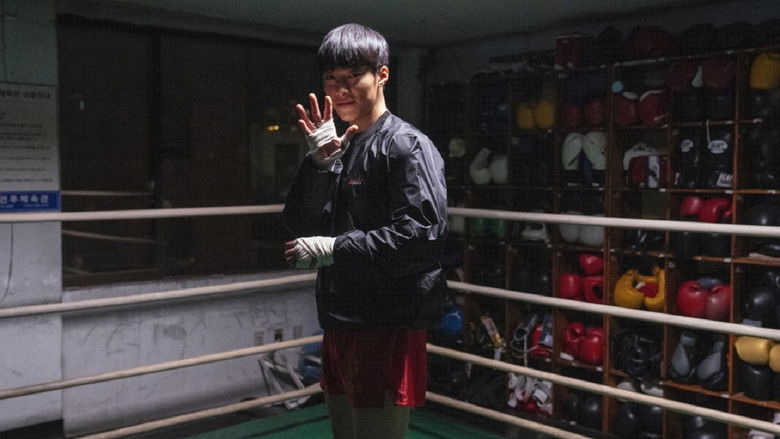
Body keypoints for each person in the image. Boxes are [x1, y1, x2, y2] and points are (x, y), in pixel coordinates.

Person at [282, 23, 448, 439]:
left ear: (382, 75)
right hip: (341, 318)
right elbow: (296, 227)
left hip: (386, 323)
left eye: (353, 76)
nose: (340, 89)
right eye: (331, 78)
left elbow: (423, 236)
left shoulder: (407, 145)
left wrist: (335, 247)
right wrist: (318, 166)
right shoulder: (341, 145)